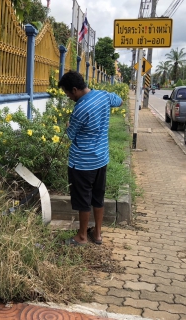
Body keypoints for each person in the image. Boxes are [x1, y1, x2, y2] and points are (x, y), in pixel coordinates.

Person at [58, 71, 123, 246]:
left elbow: (71, 135)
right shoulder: (103, 96)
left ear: (74, 89)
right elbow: (119, 100)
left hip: (82, 163)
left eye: (68, 94)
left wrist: (68, 125)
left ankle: (82, 236)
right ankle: (98, 233)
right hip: (101, 159)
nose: (69, 97)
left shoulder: (80, 109)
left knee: (83, 200)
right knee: (98, 197)